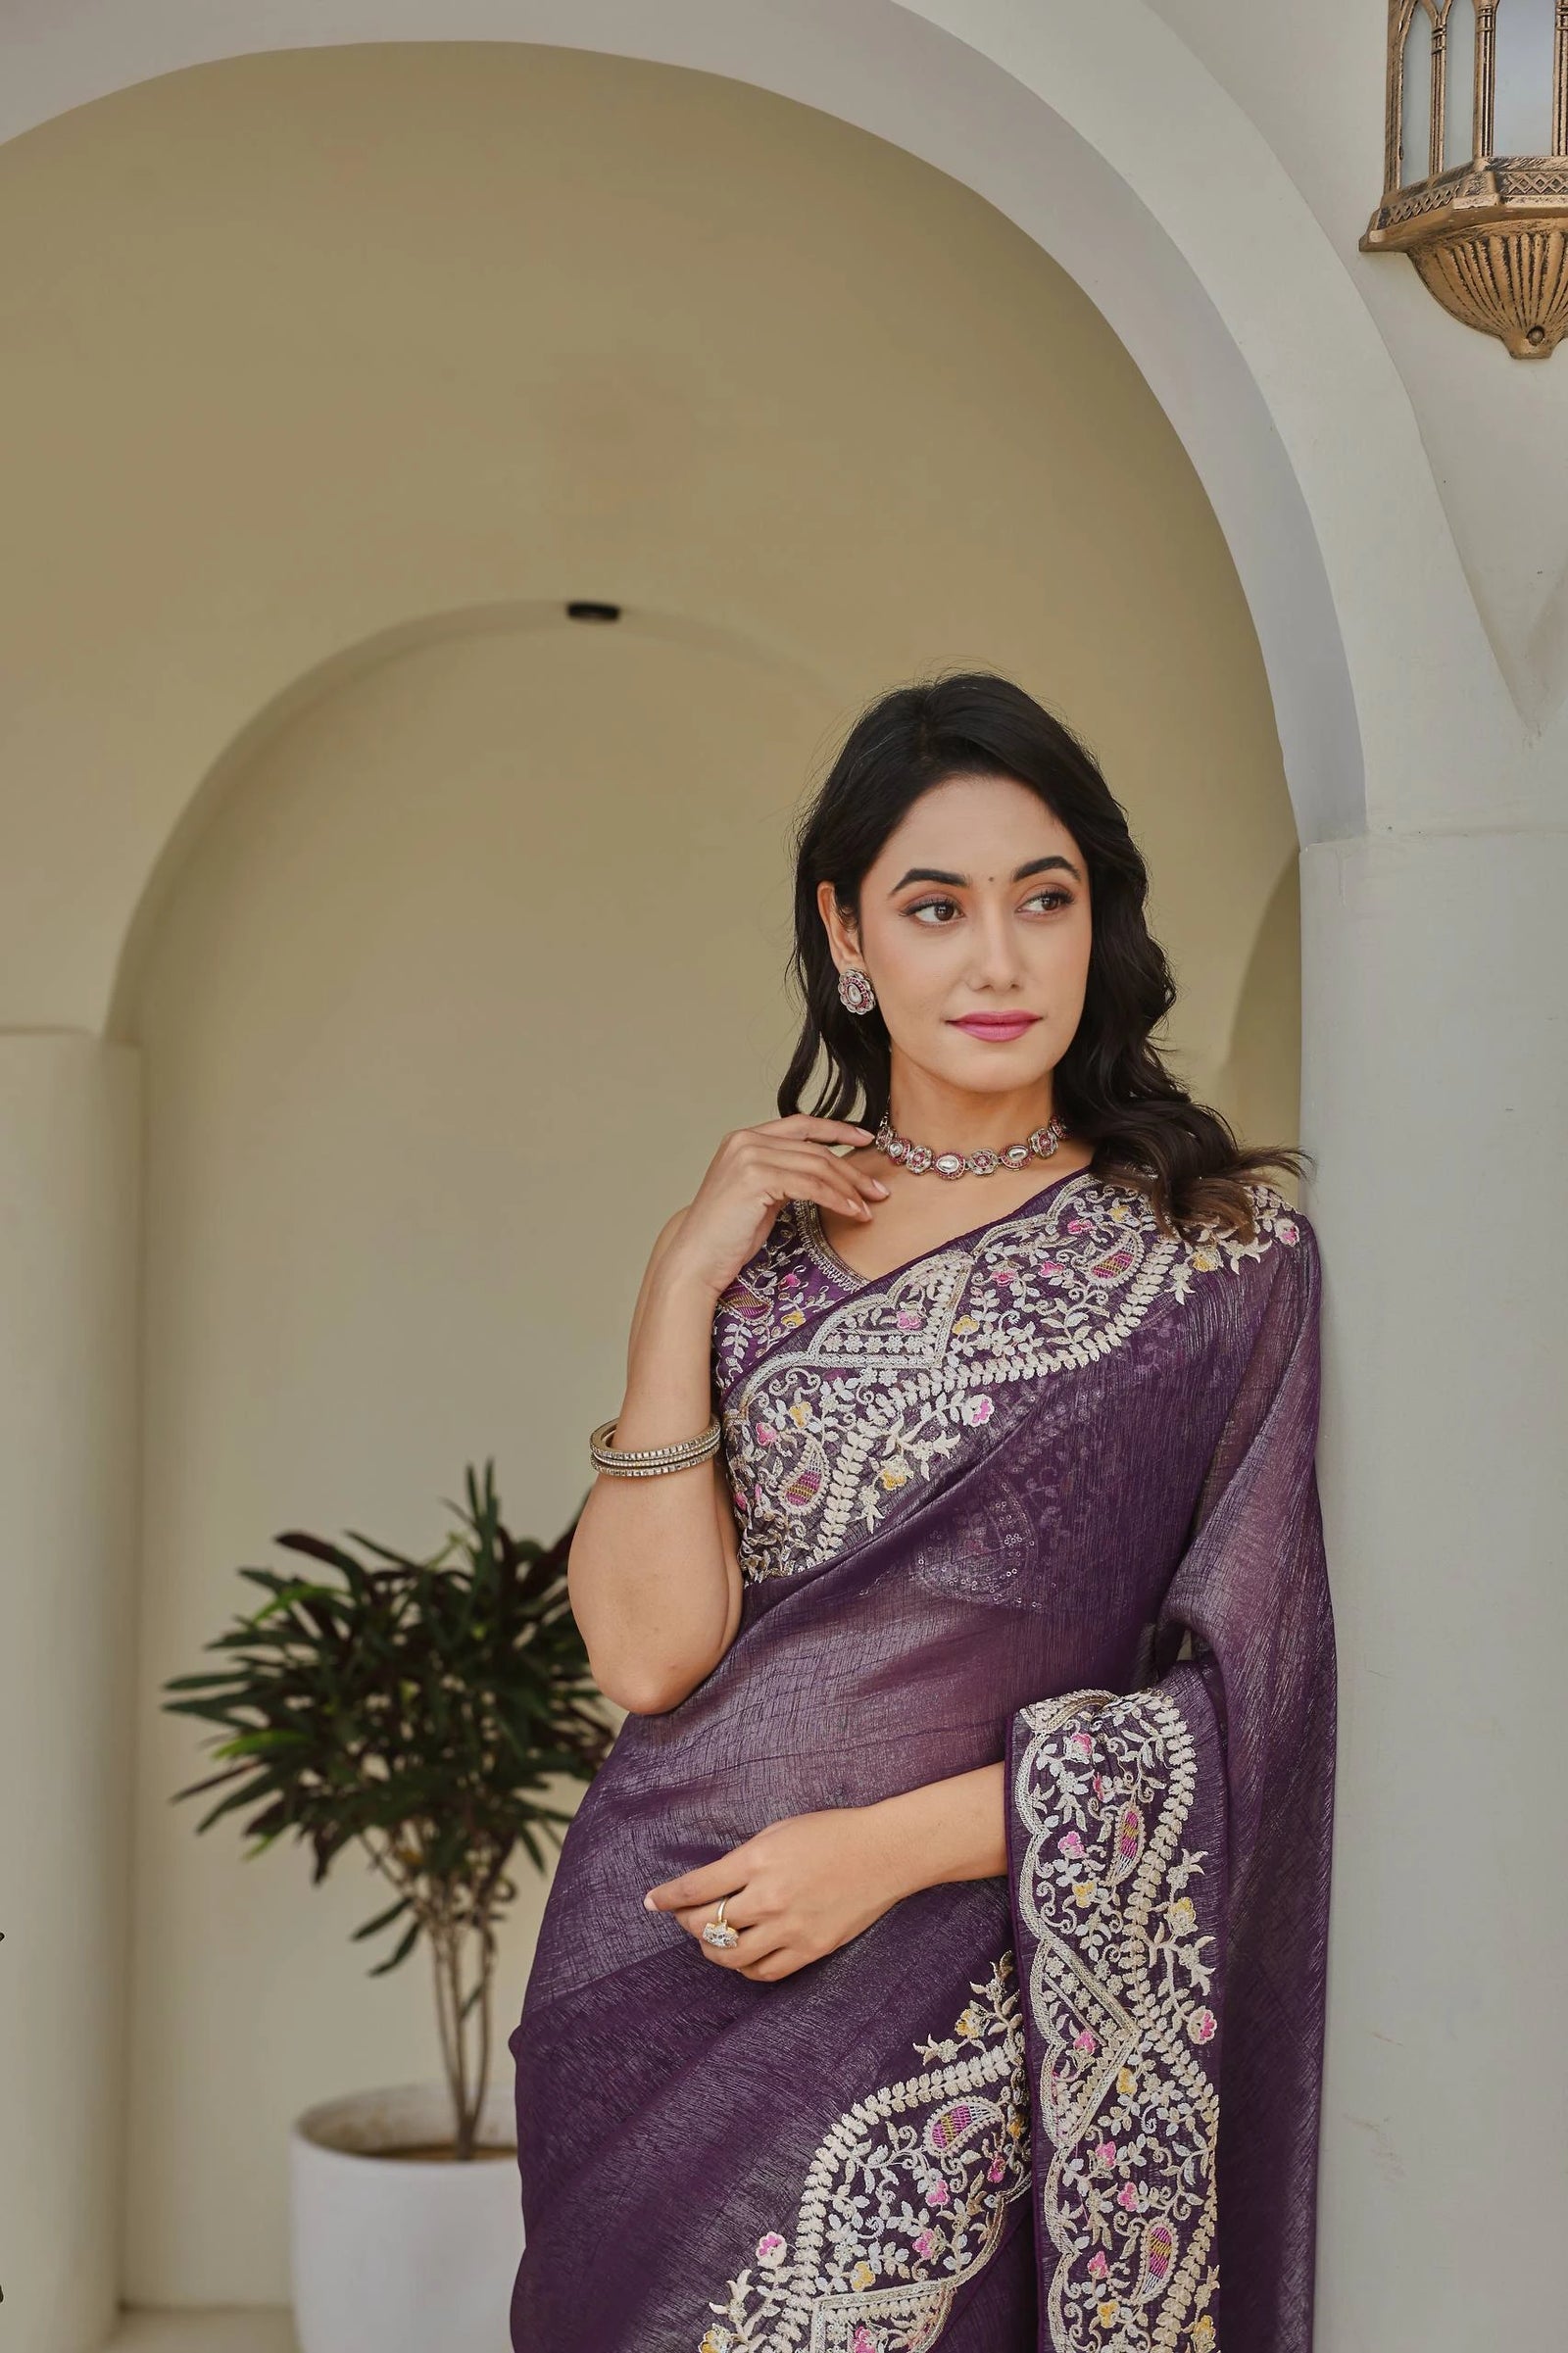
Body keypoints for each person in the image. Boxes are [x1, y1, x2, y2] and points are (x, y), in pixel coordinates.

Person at [509, 670, 1337, 2353]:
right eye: (936, 907)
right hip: (666, 1969)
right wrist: (680, 1276)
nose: (999, 960)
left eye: (1047, 900)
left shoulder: (1216, 1262)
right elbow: (651, 1657)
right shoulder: (754, 1271)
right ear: (847, 937)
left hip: (973, 1985)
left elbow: (1258, 1697)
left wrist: (885, 1852)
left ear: (1098, 926)